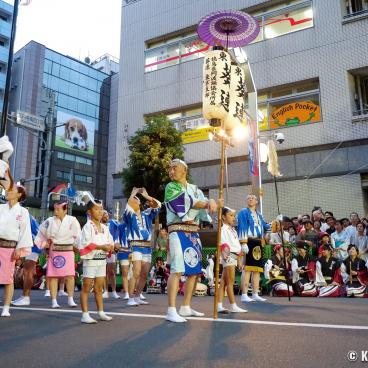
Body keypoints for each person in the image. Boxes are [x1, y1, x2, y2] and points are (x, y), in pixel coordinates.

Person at [164, 159, 219, 322]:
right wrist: (207, 202)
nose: (171, 171)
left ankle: (186, 306)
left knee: (194, 272)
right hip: (177, 230)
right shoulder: (170, 187)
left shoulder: (196, 189)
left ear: (184, 171)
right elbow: (187, 202)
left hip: (193, 232)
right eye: (170, 168)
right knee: (177, 270)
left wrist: (216, 205)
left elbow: (204, 212)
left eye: (175, 168)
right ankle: (171, 309)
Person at [34, 201, 81, 309]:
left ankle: (70, 299)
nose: (55, 211)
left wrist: (77, 246)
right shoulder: (49, 221)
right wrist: (45, 244)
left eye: (58, 209)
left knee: (70, 276)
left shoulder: (72, 220)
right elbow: (40, 234)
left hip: (68, 250)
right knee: (53, 276)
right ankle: (54, 301)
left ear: (65, 210)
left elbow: (78, 235)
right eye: (54, 209)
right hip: (54, 250)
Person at [123, 187, 161, 307]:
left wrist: (147, 196)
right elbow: (128, 206)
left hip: (147, 247)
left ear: (139, 203)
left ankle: (138, 296)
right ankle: (130, 298)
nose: (132, 201)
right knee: (136, 272)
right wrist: (132, 194)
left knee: (144, 273)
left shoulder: (146, 214)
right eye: (131, 200)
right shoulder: (129, 215)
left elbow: (158, 206)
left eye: (135, 200)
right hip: (136, 246)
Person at [79, 200, 114, 323]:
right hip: (91, 260)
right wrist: (101, 247)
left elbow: (110, 241)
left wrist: (113, 246)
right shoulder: (87, 226)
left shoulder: (105, 227)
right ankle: (85, 314)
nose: (100, 211)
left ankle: (101, 312)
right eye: (96, 209)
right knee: (87, 287)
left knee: (99, 287)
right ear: (89, 212)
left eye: (101, 209)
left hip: (101, 260)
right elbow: (85, 243)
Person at [0, 184, 32, 317]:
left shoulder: (23, 212)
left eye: (11, 190)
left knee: (8, 279)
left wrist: (19, 248)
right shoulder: (0, 207)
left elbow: (24, 232)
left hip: (10, 247)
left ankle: (6, 307)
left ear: (19, 194)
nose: (8, 191)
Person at [237, 194, 270, 303]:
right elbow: (242, 226)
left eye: (252, 198)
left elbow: (266, 227)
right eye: (248, 198)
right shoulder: (243, 212)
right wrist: (243, 242)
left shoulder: (259, 214)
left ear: (256, 201)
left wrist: (276, 223)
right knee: (247, 269)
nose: (250, 199)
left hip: (258, 242)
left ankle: (255, 293)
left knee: (257, 270)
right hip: (248, 241)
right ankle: (244, 294)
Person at [217, 207, 247, 313]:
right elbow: (223, 243)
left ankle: (219, 305)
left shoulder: (232, 229)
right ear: (223, 217)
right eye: (230, 215)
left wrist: (239, 256)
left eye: (234, 215)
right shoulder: (223, 229)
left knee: (224, 282)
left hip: (234, 255)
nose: (233, 217)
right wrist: (227, 255)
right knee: (230, 281)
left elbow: (236, 245)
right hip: (229, 256)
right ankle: (233, 305)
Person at [12, 215, 41, 306]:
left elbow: (35, 232)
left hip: (33, 245)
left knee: (28, 271)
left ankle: (26, 297)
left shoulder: (24, 215)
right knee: (27, 271)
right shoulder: (25, 214)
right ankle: (24, 296)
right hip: (30, 244)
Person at [101, 210, 121, 299]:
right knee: (103, 271)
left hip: (111, 249)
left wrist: (116, 243)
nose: (106, 216)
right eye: (104, 215)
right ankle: (105, 291)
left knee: (111, 271)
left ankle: (114, 291)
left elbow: (118, 231)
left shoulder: (113, 222)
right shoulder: (97, 224)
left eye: (107, 215)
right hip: (101, 249)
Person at [117, 221, 130, 300]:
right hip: (123, 252)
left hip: (135, 251)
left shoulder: (136, 224)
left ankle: (138, 293)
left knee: (136, 273)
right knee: (125, 273)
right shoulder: (120, 226)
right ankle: (127, 293)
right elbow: (117, 238)